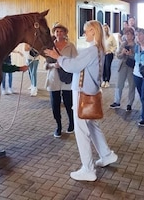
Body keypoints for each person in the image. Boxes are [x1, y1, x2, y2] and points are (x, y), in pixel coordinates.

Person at [44, 20, 118, 182]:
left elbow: (73, 66)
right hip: (91, 91)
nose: (84, 34)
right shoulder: (98, 49)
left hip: (83, 92)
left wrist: (58, 57)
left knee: (81, 130)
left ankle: (88, 169)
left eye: (86, 31)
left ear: (93, 31)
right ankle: (106, 154)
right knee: (91, 125)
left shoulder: (91, 50)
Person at [45, 23, 78, 138]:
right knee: (55, 104)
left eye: (61, 31)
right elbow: (45, 65)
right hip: (54, 78)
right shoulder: (50, 47)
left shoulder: (70, 46)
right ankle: (58, 126)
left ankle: (72, 123)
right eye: (57, 31)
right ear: (54, 33)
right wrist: (54, 65)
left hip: (67, 78)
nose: (59, 33)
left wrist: (65, 64)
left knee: (69, 103)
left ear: (65, 33)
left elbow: (76, 62)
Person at [110, 27, 136, 111]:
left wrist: (131, 54)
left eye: (129, 34)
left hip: (132, 67)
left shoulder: (136, 45)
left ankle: (129, 103)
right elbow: (118, 55)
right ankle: (117, 101)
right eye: (126, 34)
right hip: (123, 65)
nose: (127, 36)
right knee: (119, 84)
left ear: (133, 35)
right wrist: (122, 53)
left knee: (132, 85)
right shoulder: (123, 44)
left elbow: (138, 57)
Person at [101, 23, 117, 88]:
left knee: (107, 67)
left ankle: (107, 80)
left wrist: (111, 51)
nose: (105, 30)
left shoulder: (111, 37)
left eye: (106, 28)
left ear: (108, 29)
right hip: (103, 53)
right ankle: (103, 80)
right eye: (104, 28)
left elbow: (115, 45)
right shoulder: (101, 37)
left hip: (109, 54)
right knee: (103, 67)